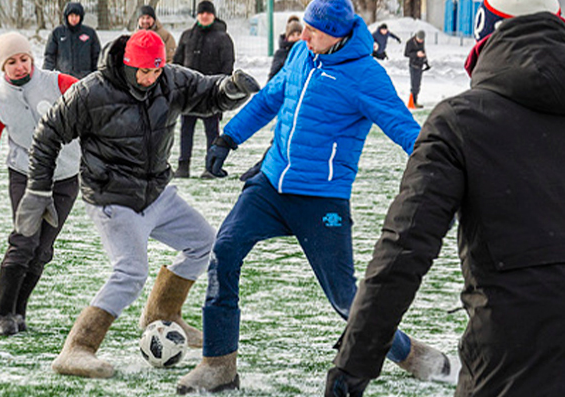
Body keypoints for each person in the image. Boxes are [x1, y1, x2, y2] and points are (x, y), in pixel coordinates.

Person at [176, 0, 456, 394]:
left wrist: (445, 172)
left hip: (322, 199)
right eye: (303, 27)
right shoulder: (301, 55)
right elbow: (271, 97)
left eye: (313, 31)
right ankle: (219, 364)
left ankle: (411, 354)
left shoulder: (365, 75)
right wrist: (229, 136)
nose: (302, 36)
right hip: (270, 185)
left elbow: (404, 128)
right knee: (224, 251)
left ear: (339, 34)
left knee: (345, 298)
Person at [325, 2, 565, 397]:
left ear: (483, 35)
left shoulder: (460, 121)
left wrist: (351, 367)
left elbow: (403, 250)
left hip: (511, 363)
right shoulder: (462, 122)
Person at [13, 30, 259, 378]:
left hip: (156, 193)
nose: (149, 79)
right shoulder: (92, 92)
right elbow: (48, 134)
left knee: (203, 242)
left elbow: (207, 92)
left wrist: (230, 90)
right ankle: (77, 349)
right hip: (112, 199)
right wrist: (38, 190)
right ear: (127, 65)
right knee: (131, 271)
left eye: (156, 71)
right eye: (143, 72)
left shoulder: (169, 80)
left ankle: (163, 314)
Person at [0, 32, 80, 336]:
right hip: (25, 176)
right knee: (24, 242)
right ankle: (2, 313)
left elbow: (94, 104)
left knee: (42, 249)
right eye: (11, 62)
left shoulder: (59, 83)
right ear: (2, 67)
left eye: (23, 59)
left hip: (66, 177)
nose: (19, 66)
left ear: (32, 58)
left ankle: (19, 310)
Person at [172, 0, 235, 179]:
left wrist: (221, 91)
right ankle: (183, 166)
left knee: (212, 132)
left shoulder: (223, 38)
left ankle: (211, 167)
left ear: (213, 15)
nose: (204, 16)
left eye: (207, 13)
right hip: (189, 94)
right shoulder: (187, 36)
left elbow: (227, 66)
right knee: (186, 130)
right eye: (201, 13)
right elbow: (177, 63)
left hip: (210, 94)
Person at [238, 20, 303, 182]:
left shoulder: (307, 53)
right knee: (281, 138)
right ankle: (261, 167)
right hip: (285, 101)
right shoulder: (282, 54)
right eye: (292, 34)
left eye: (298, 34)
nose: (295, 37)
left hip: (301, 101)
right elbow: (274, 77)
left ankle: (264, 167)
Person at [43, 2, 101, 79]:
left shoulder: (90, 33)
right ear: (67, 16)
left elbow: (97, 57)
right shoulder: (57, 33)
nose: (74, 19)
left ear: (81, 17)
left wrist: (97, 76)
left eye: (76, 16)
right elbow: (50, 56)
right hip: (64, 78)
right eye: (71, 16)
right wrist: (45, 75)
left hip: (85, 78)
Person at [404, 30, 430, 109]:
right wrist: (416, 54)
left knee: (418, 84)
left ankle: (415, 101)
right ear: (416, 37)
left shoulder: (422, 42)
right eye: (419, 40)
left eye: (422, 40)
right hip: (413, 65)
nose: (421, 41)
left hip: (420, 65)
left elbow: (423, 51)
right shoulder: (410, 42)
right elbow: (406, 54)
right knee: (414, 84)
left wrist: (426, 62)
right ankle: (412, 102)